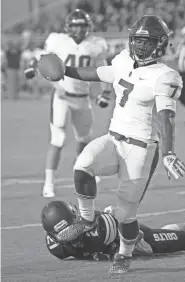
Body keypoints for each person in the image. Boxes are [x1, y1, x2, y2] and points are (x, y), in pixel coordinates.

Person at [38, 15, 185, 274]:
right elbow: (98, 73)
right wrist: (66, 71)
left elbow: (166, 116)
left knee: (125, 214)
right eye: (138, 41)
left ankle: (124, 254)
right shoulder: (122, 60)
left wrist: (169, 152)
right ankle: (85, 219)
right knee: (83, 164)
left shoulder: (166, 76)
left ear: (161, 44)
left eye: (147, 42)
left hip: (141, 149)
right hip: (114, 138)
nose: (140, 47)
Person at [41, 182, 185, 266]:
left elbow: (127, 228)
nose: (72, 234)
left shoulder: (100, 229)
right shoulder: (56, 248)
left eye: (72, 228)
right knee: (165, 233)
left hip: (137, 238)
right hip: (125, 242)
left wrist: (132, 247)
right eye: (67, 233)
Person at [25, 9, 111, 198]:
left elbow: (103, 69)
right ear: (68, 27)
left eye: (82, 25)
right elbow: (42, 57)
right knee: (58, 139)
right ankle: (48, 182)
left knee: (84, 139)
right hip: (62, 96)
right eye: (76, 25)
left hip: (83, 98)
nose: (79, 29)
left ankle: (80, 171)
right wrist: (32, 67)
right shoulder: (59, 41)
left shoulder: (95, 45)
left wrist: (105, 92)